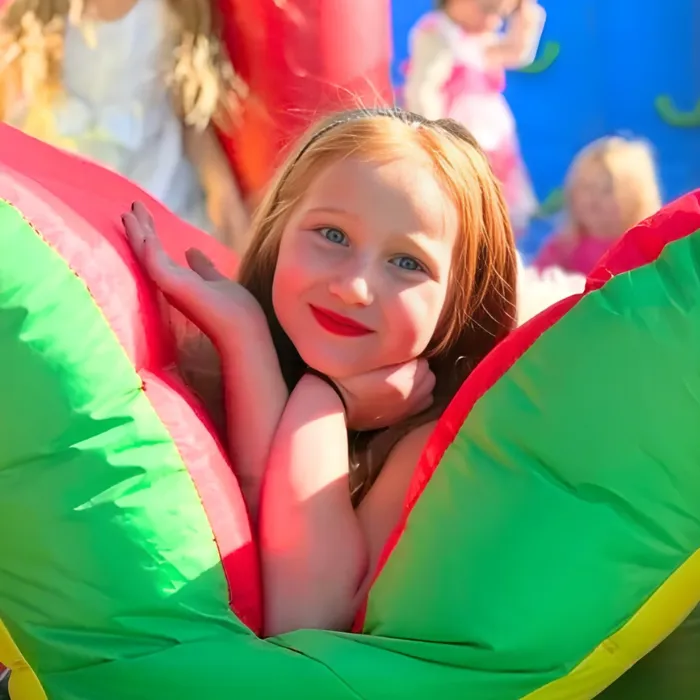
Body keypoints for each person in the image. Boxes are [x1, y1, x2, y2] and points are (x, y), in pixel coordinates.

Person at [123, 108, 518, 635]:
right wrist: (247, 341)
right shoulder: (206, 362)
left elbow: (304, 616)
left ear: (459, 305)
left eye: (407, 263)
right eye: (332, 234)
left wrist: (325, 398)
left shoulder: (434, 445)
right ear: (280, 231)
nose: (353, 287)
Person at [0, 0, 250, 251]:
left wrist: (225, 198)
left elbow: (192, 117)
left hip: (150, 192)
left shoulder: (171, 12)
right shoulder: (44, 11)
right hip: (62, 188)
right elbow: (12, 95)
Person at [404, 0, 545, 236]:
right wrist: (430, 134)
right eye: (487, 10)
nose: (493, 22)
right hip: (458, 131)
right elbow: (423, 88)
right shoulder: (438, 33)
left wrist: (525, 13)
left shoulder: (481, 38)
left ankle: (497, 245)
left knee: (497, 198)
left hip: (492, 134)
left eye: (501, 15)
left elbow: (517, 53)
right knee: (460, 196)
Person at [535, 136, 663, 275]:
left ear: (636, 197)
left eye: (607, 190)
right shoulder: (563, 247)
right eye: (586, 187)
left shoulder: (648, 248)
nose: (593, 199)